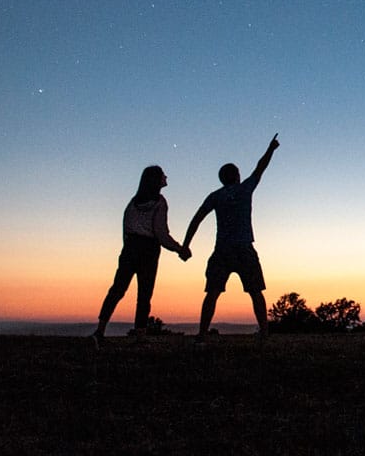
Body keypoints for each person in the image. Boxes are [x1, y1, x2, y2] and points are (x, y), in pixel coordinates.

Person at [183, 134, 280, 344]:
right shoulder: (245, 189)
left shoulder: (215, 196)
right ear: (236, 176)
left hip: (223, 250)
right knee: (255, 291)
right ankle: (264, 333)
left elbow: (196, 219)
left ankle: (202, 334)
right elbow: (260, 167)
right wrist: (271, 149)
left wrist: (186, 244)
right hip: (244, 248)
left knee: (212, 292)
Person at [90, 165, 190, 346]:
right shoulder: (160, 202)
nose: (166, 178)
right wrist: (179, 249)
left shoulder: (133, 202)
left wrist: (128, 247)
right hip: (148, 250)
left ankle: (100, 330)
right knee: (144, 295)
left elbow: (125, 226)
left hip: (130, 247)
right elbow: (161, 233)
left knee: (117, 290)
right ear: (157, 180)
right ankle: (140, 336)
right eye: (163, 176)